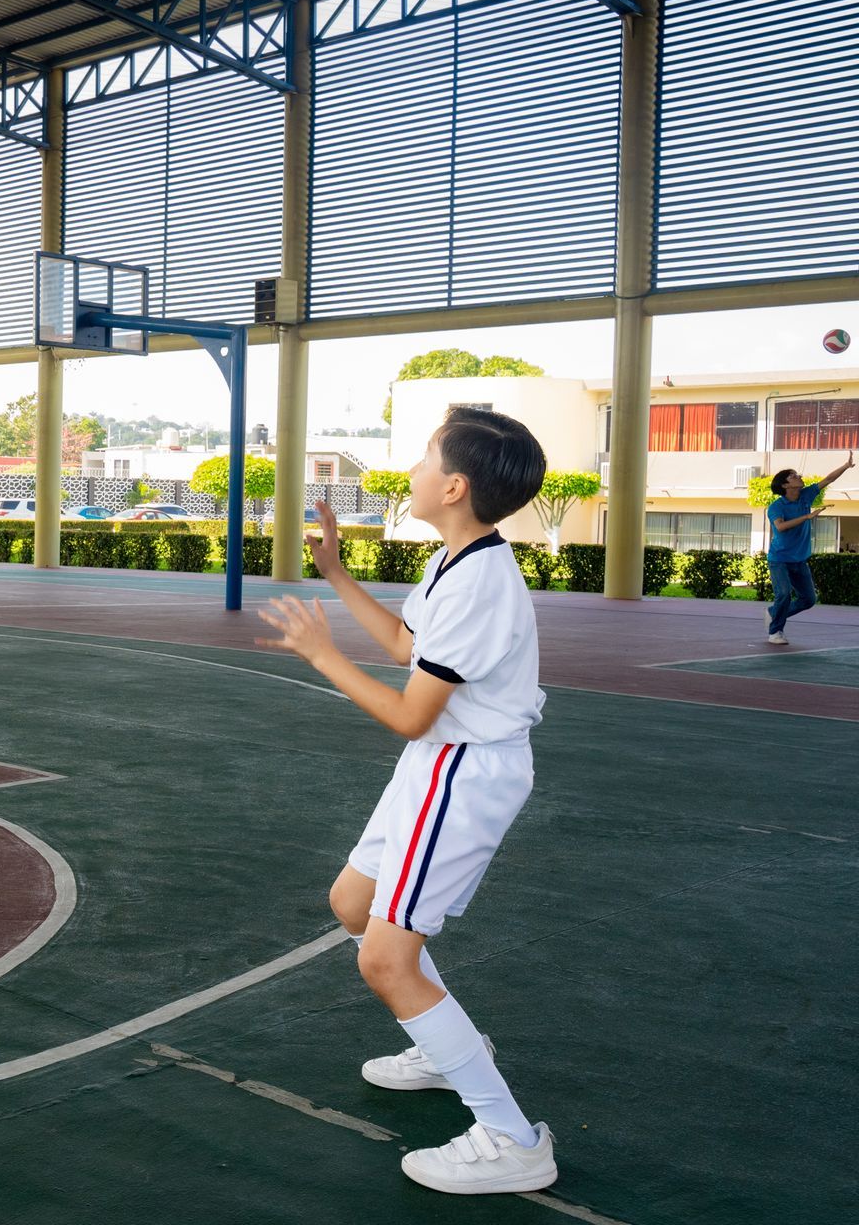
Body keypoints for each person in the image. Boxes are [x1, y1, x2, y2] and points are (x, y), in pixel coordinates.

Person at [258, 407, 556, 1195]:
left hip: (463, 771)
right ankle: (447, 1040)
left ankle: (512, 1137)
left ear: (454, 486)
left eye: (425, 459)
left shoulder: (482, 581)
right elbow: (405, 648)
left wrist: (320, 653)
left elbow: (407, 713)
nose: (414, 472)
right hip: (439, 763)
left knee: (384, 958)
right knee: (353, 904)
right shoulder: (458, 557)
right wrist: (336, 575)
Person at [763, 454, 851, 645]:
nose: (799, 476)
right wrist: (807, 517)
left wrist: (846, 465)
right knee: (784, 594)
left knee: (808, 600)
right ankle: (775, 631)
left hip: (799, 559)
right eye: (794, 476)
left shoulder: (806, 495)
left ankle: (773, 612)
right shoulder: (776, 507)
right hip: (779, 559)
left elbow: (827, 479)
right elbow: (780, 527)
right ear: (785, 485)